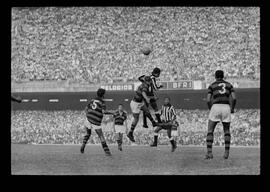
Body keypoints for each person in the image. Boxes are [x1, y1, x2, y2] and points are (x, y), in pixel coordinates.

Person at [205, 70, 237, 159]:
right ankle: (226, 153)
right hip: (226, 106)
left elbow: (208, 100)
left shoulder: (212, 85)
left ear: (215, 76)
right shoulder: (229, 85)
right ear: (223, 76)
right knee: (226, 131)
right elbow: (234, 98)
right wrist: (232, 108)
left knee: (210, 130)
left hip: (215, 106)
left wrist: (210, 108)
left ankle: (209, 153)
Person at [80, 88, 113, 156]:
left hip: (88, 119)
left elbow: (86, 109)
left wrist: (88, 115)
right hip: (96, 121)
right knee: (101, 135)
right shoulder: (102, 102)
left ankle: (83, 144)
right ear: (103, 95)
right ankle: (107, 152)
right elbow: (104, 112)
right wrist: (113, 113)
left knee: (88, 133)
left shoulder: (92, 100)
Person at [127, 76, 158, 142]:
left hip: (140, 102)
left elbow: (140, 78)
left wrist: (152, 97)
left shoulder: (144, 83)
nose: (150, 83)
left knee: (146, 110)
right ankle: (130, 133)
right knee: (136, 119)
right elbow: (144, 93)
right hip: (135, 103)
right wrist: (147, 98)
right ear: (148, 81)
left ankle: (153, 122)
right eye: (150, 81)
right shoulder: (145, 86)